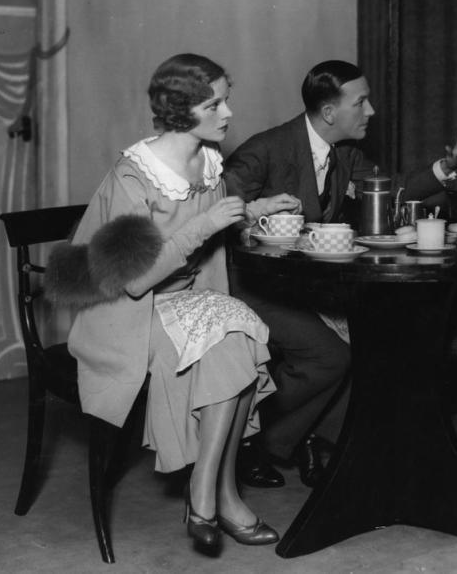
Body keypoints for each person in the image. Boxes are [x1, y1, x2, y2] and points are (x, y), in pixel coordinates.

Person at [45, 54, 298, 550]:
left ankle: (205, 493)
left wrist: (253, 210)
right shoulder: (135, 176)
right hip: (124, 313)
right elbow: (135, 281)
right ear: (184, 112)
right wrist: (204, 226)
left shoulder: (207, 162)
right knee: (235, 331)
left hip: (188, 304)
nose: (227, 113)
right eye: (215, 103)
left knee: (236, 337)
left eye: (226, 99)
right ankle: (219, 496)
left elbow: (211, 217)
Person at [222, 59, 457, 489]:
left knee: (374, 338)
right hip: (253, 286)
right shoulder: (266, 149)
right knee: (329, 356)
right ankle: (252, 438)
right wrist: (254, 221)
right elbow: (220, 205)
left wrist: (446, 166)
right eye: (361, 102)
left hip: (310, 286)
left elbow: (393, 187)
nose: (371, 111)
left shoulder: (346, 154)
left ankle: (308, 440)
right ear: (328, 113)